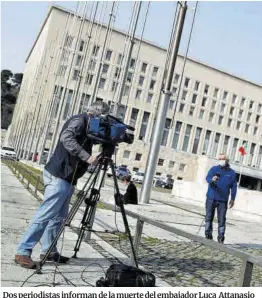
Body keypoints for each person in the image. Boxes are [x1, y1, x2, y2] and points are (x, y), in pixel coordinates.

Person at [15, 101, 110, 269]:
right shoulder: (80, 121)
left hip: (68, 178)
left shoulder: (89, 128)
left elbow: (89, 141)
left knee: (58, 217)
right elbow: (66, 137)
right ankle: (23, 251)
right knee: (45, 215)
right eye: (101, 119)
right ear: (94, 115)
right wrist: (87, 157)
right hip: (59, 175)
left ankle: (49, 251)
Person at [205, 153, 237, 244]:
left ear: (227, 160)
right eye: (220, 159)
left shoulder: (232, 173)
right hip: (211, 197)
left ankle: (221, 236)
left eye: (223, 159)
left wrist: (233, 198)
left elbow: (234, 187)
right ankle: (208, 234)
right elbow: (207, 178)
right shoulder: (214, 169)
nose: (221, 161)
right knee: (208, 217)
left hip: (223, 200)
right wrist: (212, 179)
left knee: (222, 219)